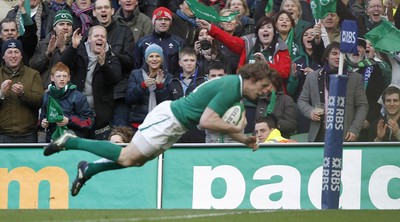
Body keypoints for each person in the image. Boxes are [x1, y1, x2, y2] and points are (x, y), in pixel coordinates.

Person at [44, 62, 268, 197]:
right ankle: (70, 141)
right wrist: (235, 128)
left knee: (135, 160)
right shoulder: (231, 86)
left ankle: (88, 169)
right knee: (125, 156)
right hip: (170, 119)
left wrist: (244, 139)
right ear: (252, 79)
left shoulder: (234, 88)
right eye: (264, 85)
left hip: (175, 124)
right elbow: (208, 121)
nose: (265, 91)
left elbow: (211, 120)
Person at [297, 42, 369, 142]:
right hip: (319, 133)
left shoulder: (355, 78)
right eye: (334, 53)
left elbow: (362, 106)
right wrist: (310, 111)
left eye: (342, 54)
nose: (338, 57)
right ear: (327, 56)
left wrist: (354, 129)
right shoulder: (312, 76)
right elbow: (302, 100)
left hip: (345, 133)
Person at [60, 26, 122, 140]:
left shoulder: (111, 58)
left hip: (100, 117)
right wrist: (73, 47)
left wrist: (103, 64)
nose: (100, 39)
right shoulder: (78, 52)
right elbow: (62, 66)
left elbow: (115, 80)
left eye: (102, 36)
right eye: (96, 36)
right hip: (77, 114)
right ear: (89, 39)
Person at [93, 0, 136, 127]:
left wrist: (111, 53)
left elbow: (130, 62)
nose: (103, 10)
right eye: (99, 8)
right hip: (98, 96)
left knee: (120, 133)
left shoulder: (125, 31)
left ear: (112, 11)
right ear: (94, 13)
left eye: (106, 7)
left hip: (119, 94)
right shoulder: (89, 34)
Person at [0, 39, 44, 143]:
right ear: (3, 56)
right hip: (3, 134)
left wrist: (23, 93)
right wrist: (1, 93)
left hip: (28, 135)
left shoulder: (34, 74)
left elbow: (39, 101)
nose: (13, 55)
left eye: (16, 52)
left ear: (21, 55)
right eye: (9, 52)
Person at [39, 62, 94, 142]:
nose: (61, 79)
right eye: (58, 76)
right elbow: (42, 117)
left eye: (64, 76)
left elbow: (89, 122)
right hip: (52, 141)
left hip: (74, 142)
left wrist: (69, 121)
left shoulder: (78, 97)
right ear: (52, 78)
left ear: (69, 78)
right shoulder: (47, 96)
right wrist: (44, 123)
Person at [126, 44, 173, 129]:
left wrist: (159, 86)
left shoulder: (168, 77)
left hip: (160, 125)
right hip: (138, 124)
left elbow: (167, 104)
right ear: (146, 60)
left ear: (162, 59)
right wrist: (143, 85)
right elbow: (129, 98)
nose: (154, 59)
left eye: (157, 56)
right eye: (151, 56)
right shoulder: (136, 74)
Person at [168, 47, 207, 143]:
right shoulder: (173, 81)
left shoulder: (204, 81)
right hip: (177, 128)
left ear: (196, 62)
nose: (189, 63)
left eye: (192, 60)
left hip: (197, 128)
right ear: (180, 63)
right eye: (185, 60)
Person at [134, 6, 185, 76]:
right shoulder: (142, 42)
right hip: (148, 83)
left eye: (166, 19)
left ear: (170, 22)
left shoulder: (178, 42)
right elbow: (137, 66)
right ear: (154, 22)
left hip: (171, 82)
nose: (163, 22)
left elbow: (182, 67)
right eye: (160, 19)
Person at [30, 9, 73, 89]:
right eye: (61, 24)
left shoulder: (75, 46)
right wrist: (47, 54)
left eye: (69, 24)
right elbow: (33, 67)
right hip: (44, 91)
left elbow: (75, 70)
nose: (65, 27)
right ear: (54, 27)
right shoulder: (42, 44)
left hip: (66, 93)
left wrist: (63, 49)